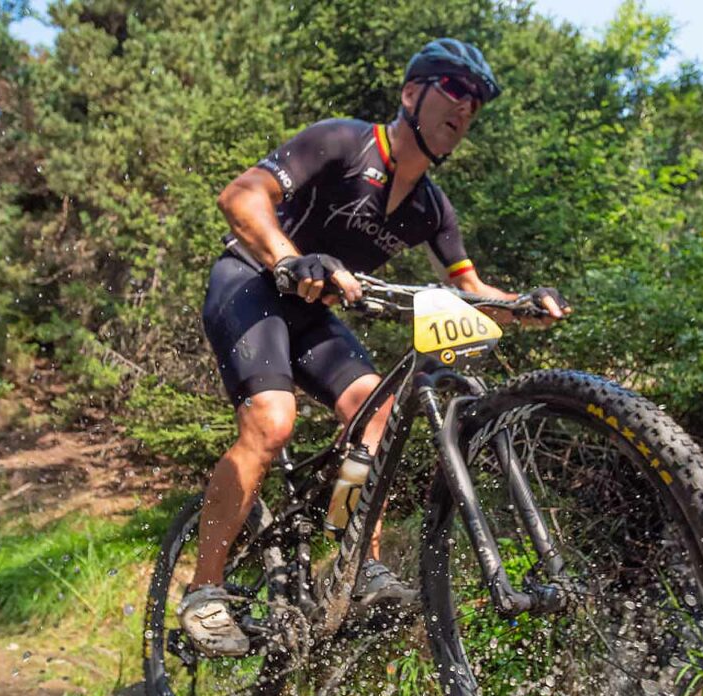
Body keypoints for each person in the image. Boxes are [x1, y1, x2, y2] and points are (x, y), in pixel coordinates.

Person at [178, 38, 570, 657]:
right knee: (272, 424)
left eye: (476, 105)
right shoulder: (343, 142)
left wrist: (521, 305)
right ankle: (203, 591)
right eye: (456, 91)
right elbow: (241, 196)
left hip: (312, 314)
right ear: (412, 93)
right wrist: (289, 257)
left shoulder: (430, 207)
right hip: (252, 283)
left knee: (376, 413)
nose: (466, 110)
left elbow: (468, 288)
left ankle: (353, 560)